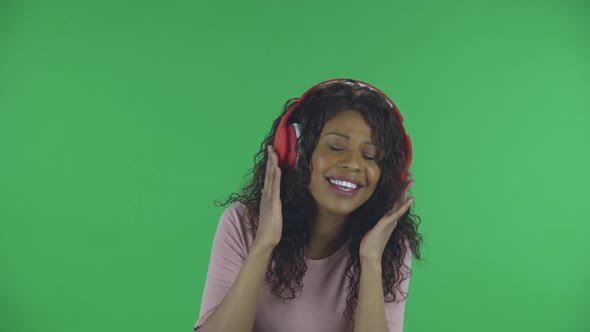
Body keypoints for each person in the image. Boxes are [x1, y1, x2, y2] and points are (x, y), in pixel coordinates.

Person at [193, 78, 423, 332]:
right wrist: (263, 245)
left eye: (369, 156)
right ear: (296, 150)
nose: (353, 164)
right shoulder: (241, 223)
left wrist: (370, 260)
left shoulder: (388, 245)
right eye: (336, 146)